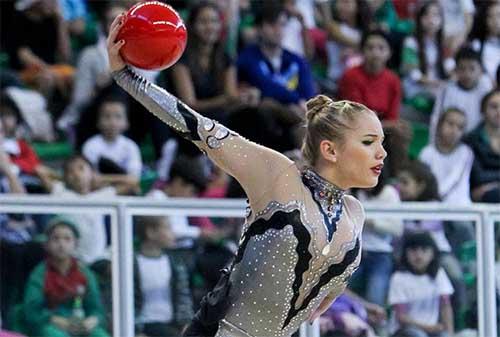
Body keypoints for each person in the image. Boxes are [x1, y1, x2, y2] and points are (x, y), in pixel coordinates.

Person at [107, 11, 387, 337]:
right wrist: (125, 76)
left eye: (381, 142)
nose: (382, 153)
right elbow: (194, 125)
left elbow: (321, 295)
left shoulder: (355, 214)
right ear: (330, 150)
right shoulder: (278, 175)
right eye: (368, 142)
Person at [22, 217, 109, 337]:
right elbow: (31, 311)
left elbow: (96, 308)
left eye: (67, 239)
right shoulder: (39, 274)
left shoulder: (84, 272)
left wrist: (92, 320)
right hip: (51, 325)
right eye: (56, 239)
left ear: (76, 244)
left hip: (81, 325)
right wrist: (55, 320)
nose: (61, 244)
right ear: (46, 244)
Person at [133, 216, 194, 336]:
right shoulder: (133, 263)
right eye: (168, 228)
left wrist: (187, 324)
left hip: (171, 324)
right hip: (144, 326)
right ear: (151, 232)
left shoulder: (176, 264)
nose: (173, 233)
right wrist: (136, 331)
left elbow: (183, 298)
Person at [388, 231, 454, 337]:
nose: (419, 256)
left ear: (433, 253)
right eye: (413, 251)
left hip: (432, 330)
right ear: (405, 253)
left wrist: (450, 333)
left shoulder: (439, 274)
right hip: (405, 331)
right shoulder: (399, 278)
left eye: (424, 250)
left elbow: (445, 306)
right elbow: (401, 317)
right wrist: (429, 328)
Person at [420, 108, 474, 204]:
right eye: (450, 124)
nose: (454, 130)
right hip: (432, 205)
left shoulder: (465, 153)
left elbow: (453, 179)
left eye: (460, 127)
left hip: (461, 209)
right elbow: (424, 180)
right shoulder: (427, 152)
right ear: (439, 125)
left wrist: (436, 196)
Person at [82, 93, 142, 178]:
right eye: (107, 116)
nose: (112, 122)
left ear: (126, 123)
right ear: (98, 122)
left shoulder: (131, 146)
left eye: (118, 116)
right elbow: (91, 179)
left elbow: (134, 179)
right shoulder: (90, 146)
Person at [464, 89, 500, 203]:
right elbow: (478, 176)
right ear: (483, 110)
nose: (499, 111)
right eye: (494, 107)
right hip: (480, 196)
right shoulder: (470, 140)